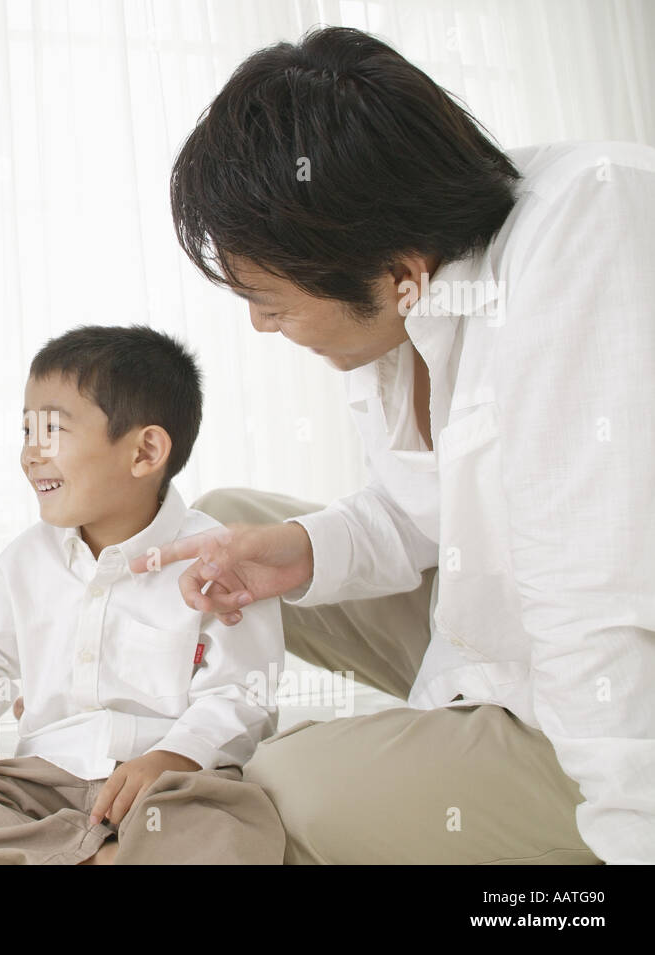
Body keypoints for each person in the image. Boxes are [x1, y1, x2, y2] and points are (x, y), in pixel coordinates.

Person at [136, 26, 655, 863]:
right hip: (503, 621)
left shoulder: (584, 242)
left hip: (610, 699)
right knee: (222, 524)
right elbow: (427, 510)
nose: (261, 324)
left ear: (395, 269)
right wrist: (301, 552)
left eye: (271, 299)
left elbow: (599, 601)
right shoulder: (410, 285)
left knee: (286, 787)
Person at [0, 325, 286, 865]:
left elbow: (243, 693)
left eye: (51, 431)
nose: (30, 454)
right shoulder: (24, 559)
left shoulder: (219, 561)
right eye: (26, 432)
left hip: (172, 784)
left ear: (145, 452)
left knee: (229, 832)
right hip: (42, 780)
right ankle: (96, 855)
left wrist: (173, 755)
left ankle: (81, 853)